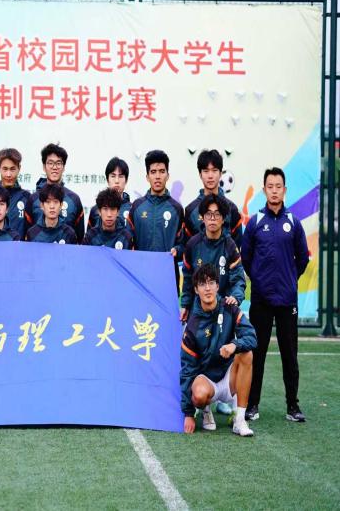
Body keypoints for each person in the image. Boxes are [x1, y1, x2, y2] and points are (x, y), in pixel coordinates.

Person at [241, 167, 309, 423]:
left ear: (284, 190)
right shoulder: (255, 222)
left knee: (289, 355)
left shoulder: (294, 223)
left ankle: (293, 406)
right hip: (261, 300)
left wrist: (289, 280)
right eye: (270, 186)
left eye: (278, 186)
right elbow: (246, 258)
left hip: (287, 301)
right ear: (264, 190)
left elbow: (302, 259)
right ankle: (252, 405)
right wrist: (259, 280)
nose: (274, 191)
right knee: (256, 354)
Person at [180, 264, 257, 437]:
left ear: (217, 286)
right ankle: (206, 410)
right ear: (196, 289)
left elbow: (252, 336)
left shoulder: (230, 307)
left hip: (230, 377)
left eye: (211, 283)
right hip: (207, 380)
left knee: (246, 353)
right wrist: (188, 414)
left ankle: (240, 420)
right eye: (202, 284)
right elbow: (187, 371)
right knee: (199, 395)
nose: (207, 288)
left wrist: (234, 345)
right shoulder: (192, 326)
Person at [128, 150, 184, 285]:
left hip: (168, 278)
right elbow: (127, 241)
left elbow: (184, 245)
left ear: (168, 175)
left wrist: (177, 250)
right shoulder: (137, 207)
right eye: (153, 172)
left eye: (162, 171)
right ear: (147, 177)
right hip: (140, 277)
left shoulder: (176, 209)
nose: (158, 176)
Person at [24, 143, 84, 242]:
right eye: (50, 163)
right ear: (44, 167)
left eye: (58, 163)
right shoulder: (33, 199)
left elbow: (79, 238)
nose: (54, 167)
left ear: (64, 167)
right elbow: (27, 236)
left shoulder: (74, 199)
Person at [184, 149, 242, 247]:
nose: (210, 176)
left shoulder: (231, 208)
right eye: (206, 171)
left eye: (214, 171)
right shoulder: (190, 210)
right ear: (200, 175)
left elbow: (236, 246)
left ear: (220, 174)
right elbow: (187, 247)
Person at [0, 148, 31, 240]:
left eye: (12, 169)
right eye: (5, 169)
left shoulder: (27, 198)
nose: (8, 174)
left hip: (19, 248)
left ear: (19, 168)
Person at [87, 157, 132, 230]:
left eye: (121, 176)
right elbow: (90, 235)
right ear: (107, 180)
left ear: (126, 180)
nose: (117, 181)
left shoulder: (132, 209)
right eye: (113, 176)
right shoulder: (96, 210)